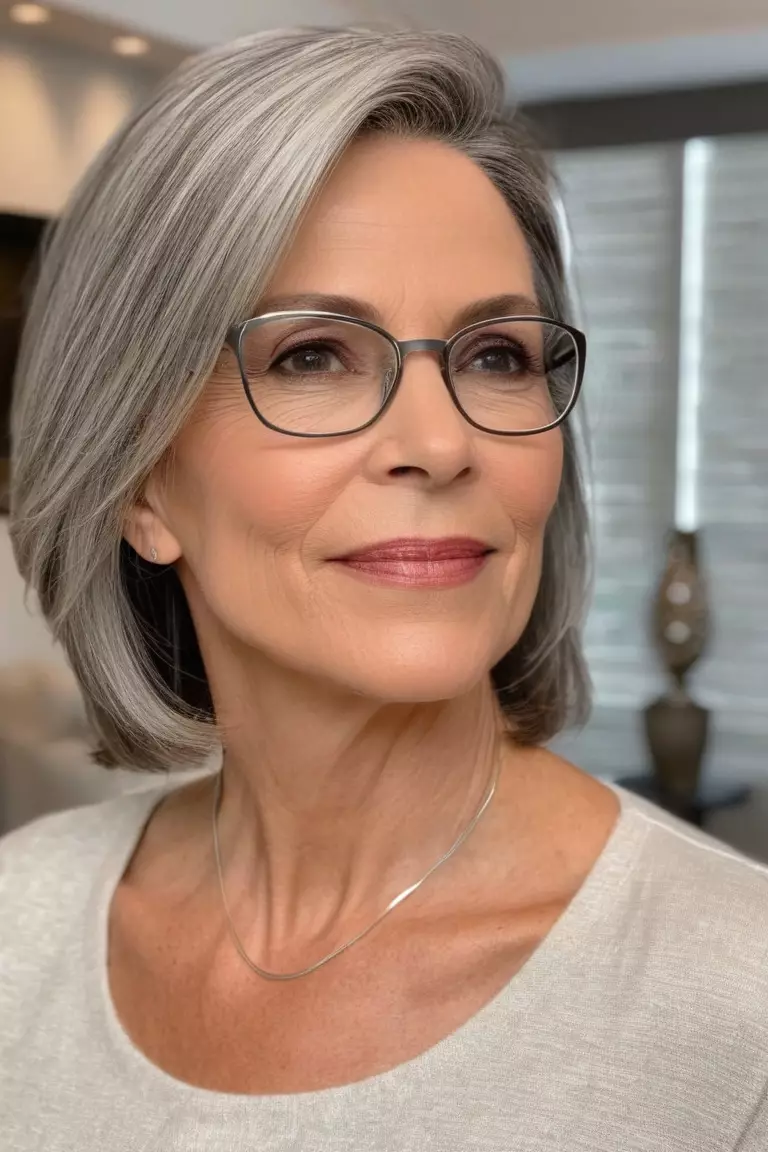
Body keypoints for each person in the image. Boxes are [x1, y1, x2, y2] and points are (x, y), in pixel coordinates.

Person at [2, 26, 767, 1152]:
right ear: (143, 482)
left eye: (498, 354)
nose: (442, 442)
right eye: (312, 354)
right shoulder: (18, 922)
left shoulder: (734, 1007)